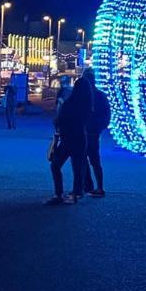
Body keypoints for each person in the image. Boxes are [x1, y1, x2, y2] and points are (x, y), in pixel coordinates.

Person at [46, 76, 93, 204]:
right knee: (78, 167)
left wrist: (58, 123)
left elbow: (60, 119)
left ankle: (58, 193)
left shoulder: (70, 102)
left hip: (67, 138)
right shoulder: (87, 105)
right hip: (80, 137)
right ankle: (76, 194)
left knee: (56, 165)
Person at [81, 67, 110, 197]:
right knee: (88, 160)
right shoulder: (99, 95)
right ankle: (91, 186)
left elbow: (106, 116)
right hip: (89, 131)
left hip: (88, 132)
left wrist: (97, 126)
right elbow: (106, 116)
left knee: (90, 159)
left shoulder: (95, 96)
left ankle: (94, 186)